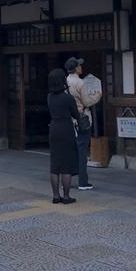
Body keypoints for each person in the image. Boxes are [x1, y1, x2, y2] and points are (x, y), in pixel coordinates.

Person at [47, 68, 80, 204]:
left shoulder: (49, 97)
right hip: (66, 128)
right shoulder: (68, 98)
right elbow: (76, 115)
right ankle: (66, 196)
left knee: (55, 164)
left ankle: (55, 196)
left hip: (54, 127)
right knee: (67, 163)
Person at [65, 56, 94, 191]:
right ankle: (83, 181)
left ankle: (67, 179)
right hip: (82, 119)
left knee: (70, 150)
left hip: (69, 120)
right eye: (79, 65)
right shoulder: (80, 83)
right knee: (82, 151)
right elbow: (86, 102)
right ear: (76, 68)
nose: (81, 67)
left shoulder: (65, 82)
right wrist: (97, 97)